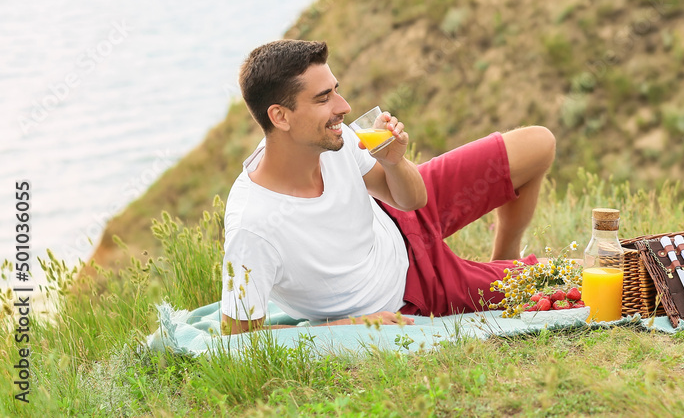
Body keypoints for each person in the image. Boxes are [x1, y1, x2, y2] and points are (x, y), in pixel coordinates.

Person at [220, 39, 555, 334]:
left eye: (336, 89)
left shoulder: (330, 141)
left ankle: (505, 257)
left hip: (397, 217)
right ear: (280, 117)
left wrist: (394, 162)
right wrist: (343, 327)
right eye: (324, 98)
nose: (344, 107)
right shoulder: (254, 228)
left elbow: (411, 200)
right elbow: (238, 339)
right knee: (562, 283)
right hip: (415, 287)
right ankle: (505, 274)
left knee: (538, 144)